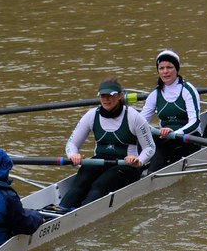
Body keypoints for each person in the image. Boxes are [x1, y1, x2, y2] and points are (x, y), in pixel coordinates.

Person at [54, 78, 156, 210]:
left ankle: (80, 213)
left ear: (119, 96)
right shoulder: (91, 115)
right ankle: (61, 210)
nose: (106, 99)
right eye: (103, 96)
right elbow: (72, 144)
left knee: (100, 185)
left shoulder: (133, 117)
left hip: (126, 166)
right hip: (99, 162)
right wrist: (74, 155)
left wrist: (139, 161)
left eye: (111, 95)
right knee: (80, 183)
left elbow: (150, 147)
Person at [139, 50, 201, 173]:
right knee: (140, 139)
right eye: (161, 68)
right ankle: (133, 171)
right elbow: (140, 122)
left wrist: (175, 133)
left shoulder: (187, 90)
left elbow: (195, 122)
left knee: (161, 147)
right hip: (165, 136)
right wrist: (156, 131)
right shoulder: (155, 94)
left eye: (169, 67)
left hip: (188, 137)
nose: (165, 71)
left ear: (176, 69)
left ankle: (151, 175)